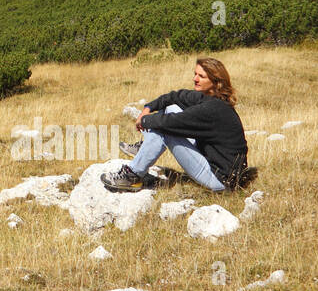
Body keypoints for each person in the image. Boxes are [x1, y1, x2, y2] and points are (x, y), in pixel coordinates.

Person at [101, 57, 249, 193]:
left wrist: (144, 121)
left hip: (222, 180)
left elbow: (172, 123)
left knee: (165, 128)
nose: (195, 79)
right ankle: (147, 147)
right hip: (213, 161)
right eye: (195, 74)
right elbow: (174, 97)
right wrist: (147, 109)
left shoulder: (213, 109)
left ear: (216, 82)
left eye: (201, 76)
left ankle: (133, 176)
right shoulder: (208, 98)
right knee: (172, 107)